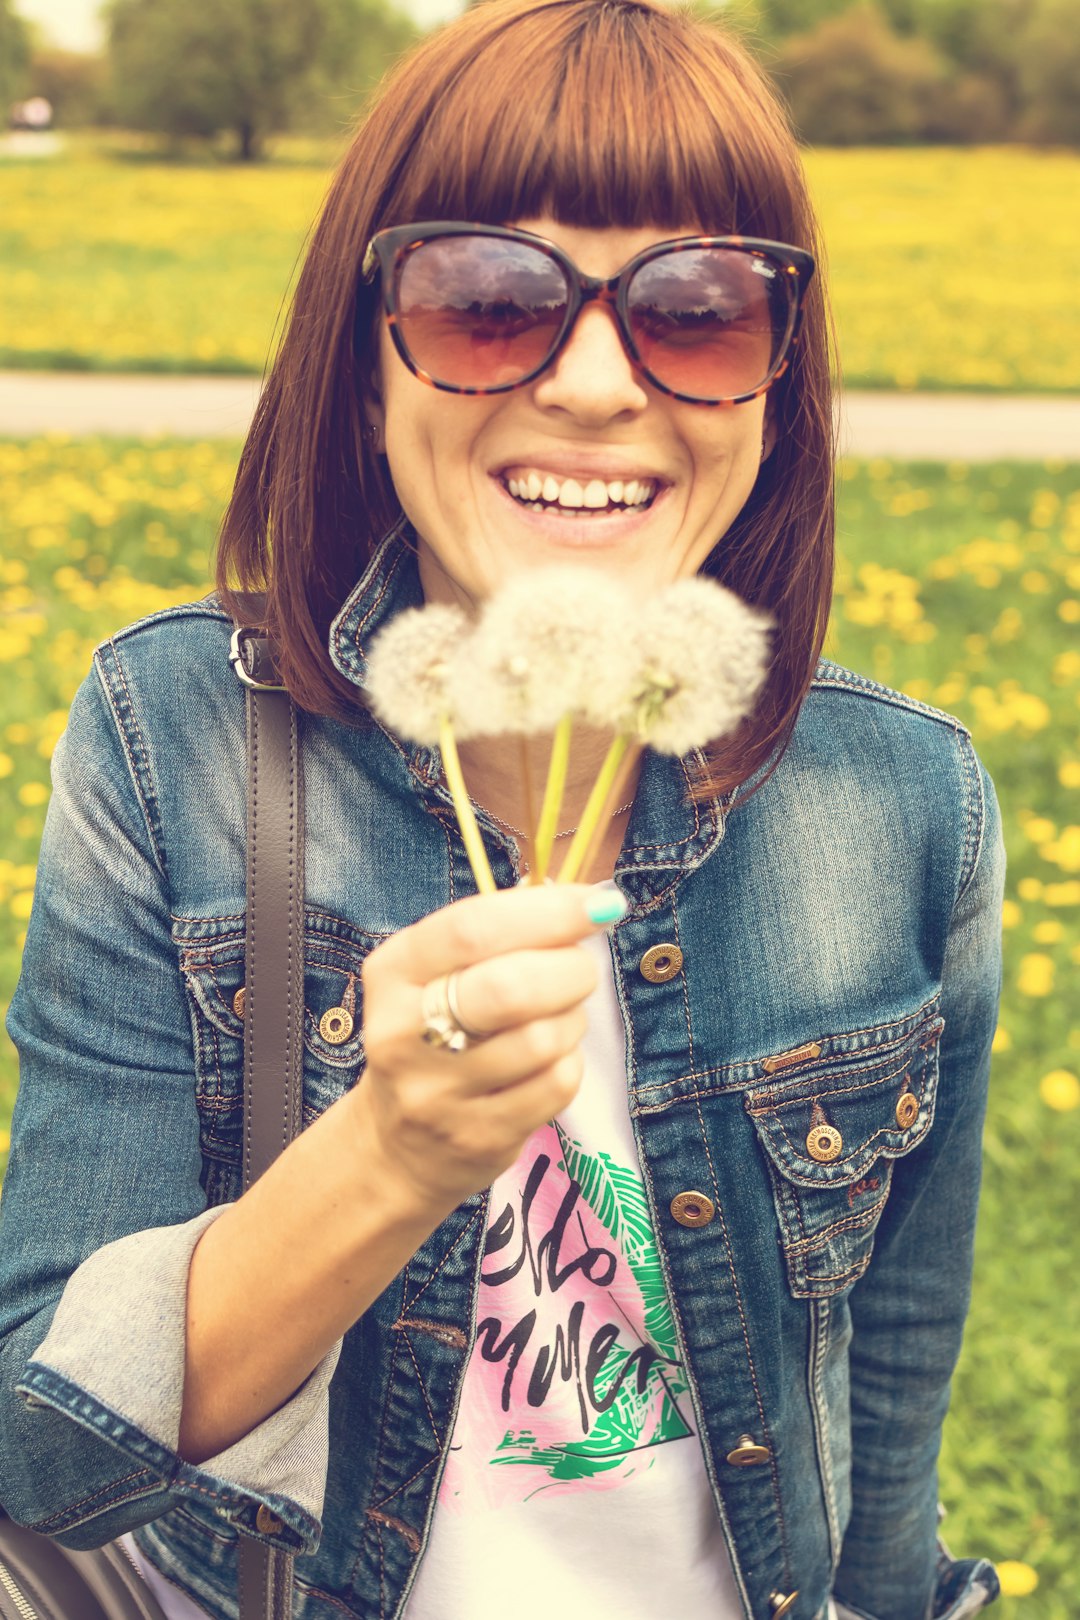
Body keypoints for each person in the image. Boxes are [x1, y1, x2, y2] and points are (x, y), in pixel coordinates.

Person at [0, 2, 1004, 1618]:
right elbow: (43, 1452)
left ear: (776, 377)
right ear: (362, 356)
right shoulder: (177, 743)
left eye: (698, 310)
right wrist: (389, 1151)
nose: (599, 384)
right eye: (487, 302)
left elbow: (884, 1419)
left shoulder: (904, 804)